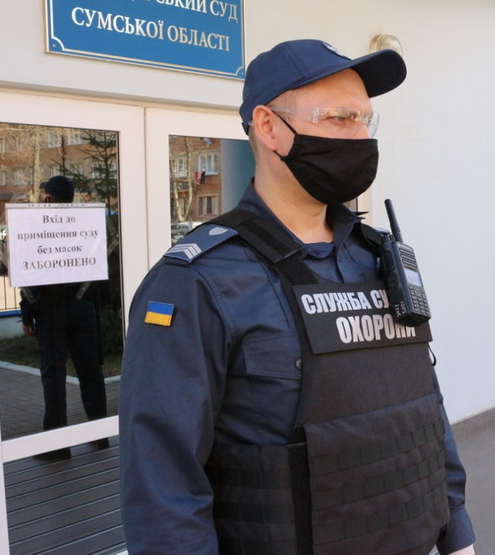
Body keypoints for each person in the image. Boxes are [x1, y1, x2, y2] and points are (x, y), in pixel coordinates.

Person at [119, 40, 476, 555]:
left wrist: (457, 532)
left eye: (365, 121)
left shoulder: (380, 259)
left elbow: (425, 408)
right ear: (269, 127)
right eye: (339, 118)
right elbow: (163, 484)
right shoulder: (198, 282)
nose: (361, 138)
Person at [20, 175, 108, 459]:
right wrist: (94, 307)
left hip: (52, 311)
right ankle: (100, 436)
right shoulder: (86, 226)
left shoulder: (39, 229)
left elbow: (30, 276)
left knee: (54, 378)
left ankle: (57, 447)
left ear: (48, 199)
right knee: (91, 373)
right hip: (84, 309)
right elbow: (99, 270)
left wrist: (27, 315)